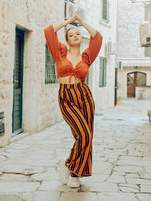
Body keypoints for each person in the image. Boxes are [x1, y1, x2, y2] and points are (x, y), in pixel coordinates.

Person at [44, 10, 103, 188]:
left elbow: (98, 37)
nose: (75, 35)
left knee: (86, 136)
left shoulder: (87, 56)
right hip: (67, 97)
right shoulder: (60, 52)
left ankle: (75, 174)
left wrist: (81, 22)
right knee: (83, 134)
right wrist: (69, 20)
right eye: (71, 34)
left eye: (78, 34)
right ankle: (70, 164)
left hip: (84, 96)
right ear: (67, 40)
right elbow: (48, 31)